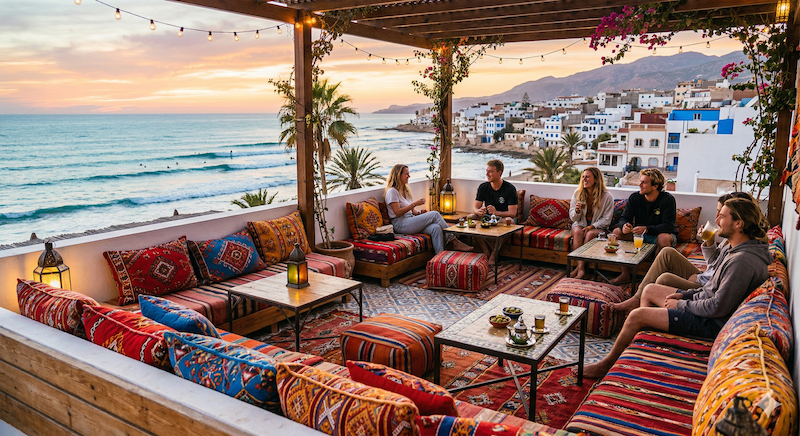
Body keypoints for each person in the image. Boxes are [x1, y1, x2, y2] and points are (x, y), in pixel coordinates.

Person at [584, 197, 771, 378]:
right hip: (704, 306)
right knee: (649, 289)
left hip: (710, 323)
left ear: (738, 223)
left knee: (636, 316)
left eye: (722, 216)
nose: (716, 220)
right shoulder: (734, 249)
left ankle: (606, 364)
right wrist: (684, 295)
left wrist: (681, 305)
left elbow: (717, 307)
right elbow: (710, 289)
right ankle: (641, 344)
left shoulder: (741, 261)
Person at [612, 192, 755, 311]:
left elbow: (720, 283)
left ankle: (646, 307)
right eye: (718, 211)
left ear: (738, 219)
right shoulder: (731, 239)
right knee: (667, 253)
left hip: (706, 284)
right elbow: (714, 263)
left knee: (664, 278)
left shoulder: (742, 252)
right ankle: (638, 298)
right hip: (706, 276)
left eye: (721, 214)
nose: (716, 218)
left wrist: (699, 279)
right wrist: (709, 242)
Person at [385, 164, 472, 254]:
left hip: (409, 220)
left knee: (436, 228)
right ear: (398, 175)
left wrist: (419, 213)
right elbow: (397, 212)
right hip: (400, 224)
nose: (409, 176)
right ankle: (454, 241)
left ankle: (440, 256)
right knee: (434, 214)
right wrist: (414, 204)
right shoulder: (392, 191)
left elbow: (411, 211)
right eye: (406, 174)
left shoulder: (405, 190)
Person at [611, 168, 677, 284]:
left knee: (663, 238)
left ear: (655, 186)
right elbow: (623, 218)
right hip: (639, 235)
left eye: (644, 182)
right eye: (640, 181)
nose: (640, 185)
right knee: (617, 232)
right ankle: (625, 274)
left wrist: (647, 229)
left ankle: (654, 279)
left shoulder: (668, 200)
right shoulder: (635, 197)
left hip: (659, 235)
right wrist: (624, 225)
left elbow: (668, 226)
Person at [569, 167, 615, 279]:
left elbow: (606, 220)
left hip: (598, 226)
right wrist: (577, 211)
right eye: (583, 177)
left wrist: (591, 226)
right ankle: (581, 269)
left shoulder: (607, 197)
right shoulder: (578, 193)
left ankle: (578, 268)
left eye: (587, 177)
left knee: (589, 234)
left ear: (596, 179)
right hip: (581, 223)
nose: (584, 179)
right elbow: (573, 217)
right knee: (578, 232)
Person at [471, 159, 518, 264]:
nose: (487, 174)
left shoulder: (510, 189)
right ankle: (485, 251)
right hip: (488, 218)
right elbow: (475, 208)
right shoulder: (483, 187)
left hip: (503, 218)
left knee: (509, 221)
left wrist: (497, 213)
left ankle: (494, 254)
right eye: (487, 171)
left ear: (499, 173)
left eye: (490, 171)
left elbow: (513, 213)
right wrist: (479, 212)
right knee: (471, 217)